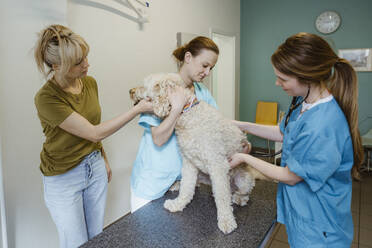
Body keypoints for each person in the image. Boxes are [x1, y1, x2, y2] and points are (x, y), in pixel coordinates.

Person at [229, 32, 363, 247]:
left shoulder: (324, 124)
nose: (277, 83)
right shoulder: (305, 101)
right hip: (304, 215)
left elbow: (290, 176)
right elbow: (285, 133)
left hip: (320, 228)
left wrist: (245, 158)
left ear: (307, 77)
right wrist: (242, 125)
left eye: (283, 79)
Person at [34, 24, 152, 248]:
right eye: (78, 62)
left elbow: (92, 129)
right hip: (63, 177)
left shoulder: (89, 83)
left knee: (97, 237)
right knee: (76, 242)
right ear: (57, 65)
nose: (86, 65)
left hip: (94, 167)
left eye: (85, 57)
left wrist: (102, 157)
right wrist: (137, 109)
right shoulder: (46, 98)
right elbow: (93, 131)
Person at [130, 36, 219, 212]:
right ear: (188, 58)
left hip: (184, 184)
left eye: (211, 68)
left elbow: (215, 126)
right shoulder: (159, 86)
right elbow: (159, 138)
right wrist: (177, 108)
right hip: (152, 185)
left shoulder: (203, 93)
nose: (207, 72)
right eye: (204, 65)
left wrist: (239, 139)